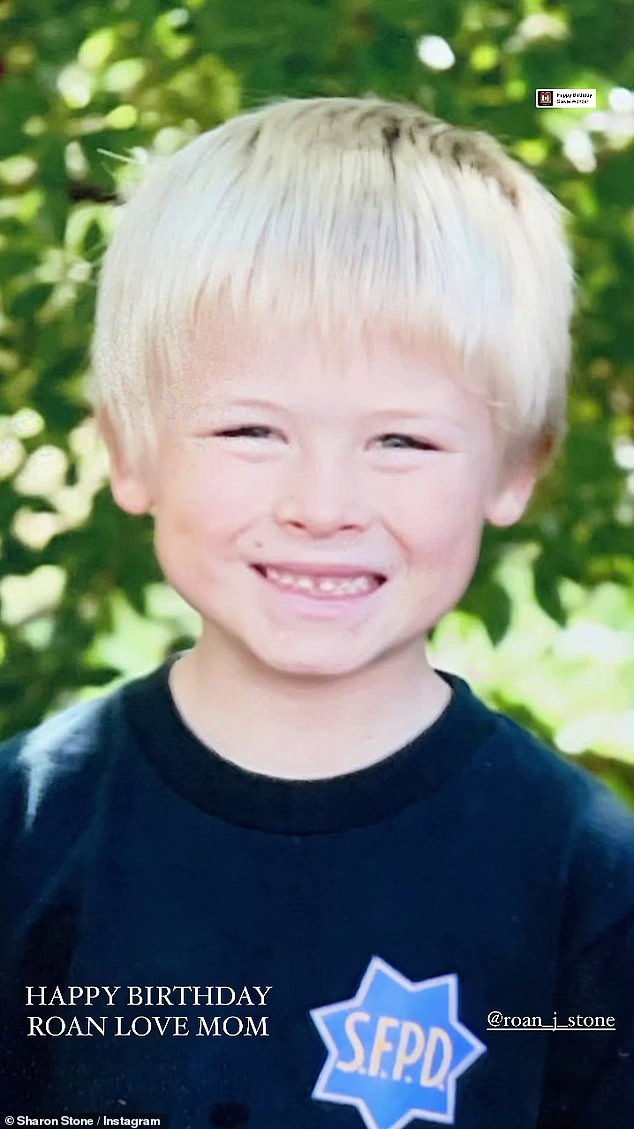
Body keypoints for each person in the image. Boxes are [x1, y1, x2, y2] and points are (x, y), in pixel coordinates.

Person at [1, 96, 633, 1129]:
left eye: (402, 442)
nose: (322, 506)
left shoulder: (582, 875)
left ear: (516, 468)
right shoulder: (26, 829)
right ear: (130, 449)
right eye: (251, 429)